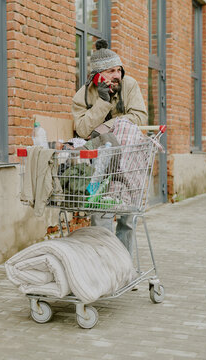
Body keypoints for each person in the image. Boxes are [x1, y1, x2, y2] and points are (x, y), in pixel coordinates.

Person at [71, 39, 148, 258]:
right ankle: (106, 263)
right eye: (111, 71)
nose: (117, 75)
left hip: (130, 158)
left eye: (119, 70)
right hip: (102, 163)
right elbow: (83, 129)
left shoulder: (129, 85)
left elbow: (139, 118)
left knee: (127, 215)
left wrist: (107, 127)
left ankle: (123, 264)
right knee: (101, 212)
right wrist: (102, 103)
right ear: (97, 75)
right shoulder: (84, 95)